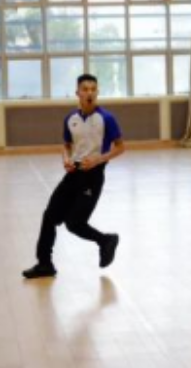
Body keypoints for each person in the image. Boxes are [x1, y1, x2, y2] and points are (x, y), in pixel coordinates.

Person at [22, 74, 125, 279]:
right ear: (77, 92)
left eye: (93, 89)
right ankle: (44, 264)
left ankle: (106, 240)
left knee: (74, 223)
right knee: (49, 216)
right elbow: (67, 145)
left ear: (97, 92)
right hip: (73, 174)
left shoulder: (107, 118)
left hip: (93, 176)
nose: (89, 93)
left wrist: (98, 160)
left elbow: (121, 147)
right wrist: (66, 159)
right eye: (85, 89)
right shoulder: (71, 119)